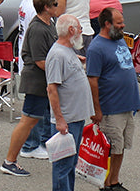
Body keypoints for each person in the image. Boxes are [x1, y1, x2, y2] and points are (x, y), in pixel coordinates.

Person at [1, 0, 61, 176]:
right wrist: (62, 71)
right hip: (36, 82)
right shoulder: (37, 28)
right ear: (46, 7)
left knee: (33, 120)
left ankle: (15, 157)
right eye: (55, 4)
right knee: (27, 121)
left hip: (43, 82)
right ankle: (10, 160)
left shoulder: (49, 23)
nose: (58, 7)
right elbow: (40, 60)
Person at [85, 7, 140, 191]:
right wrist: (97, 110)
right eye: (119, 23)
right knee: (110, 148)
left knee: (121, 146)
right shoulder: (96, 47)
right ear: (107, 24)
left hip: (127, 105)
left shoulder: (119, 40)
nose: (123, 25)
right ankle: (105, 183)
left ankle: (113, 182)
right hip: (111, 108)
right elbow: (92, 79)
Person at [47, 14, 93, 191]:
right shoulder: (58, 54)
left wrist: (77, 59)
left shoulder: (68, 51)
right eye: (80, 28)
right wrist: (59, 119)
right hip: (67, 120)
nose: (81, 31)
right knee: (63, 166)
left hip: (75, 118)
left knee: (70, 164)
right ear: (71, 30)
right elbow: (52, 89)